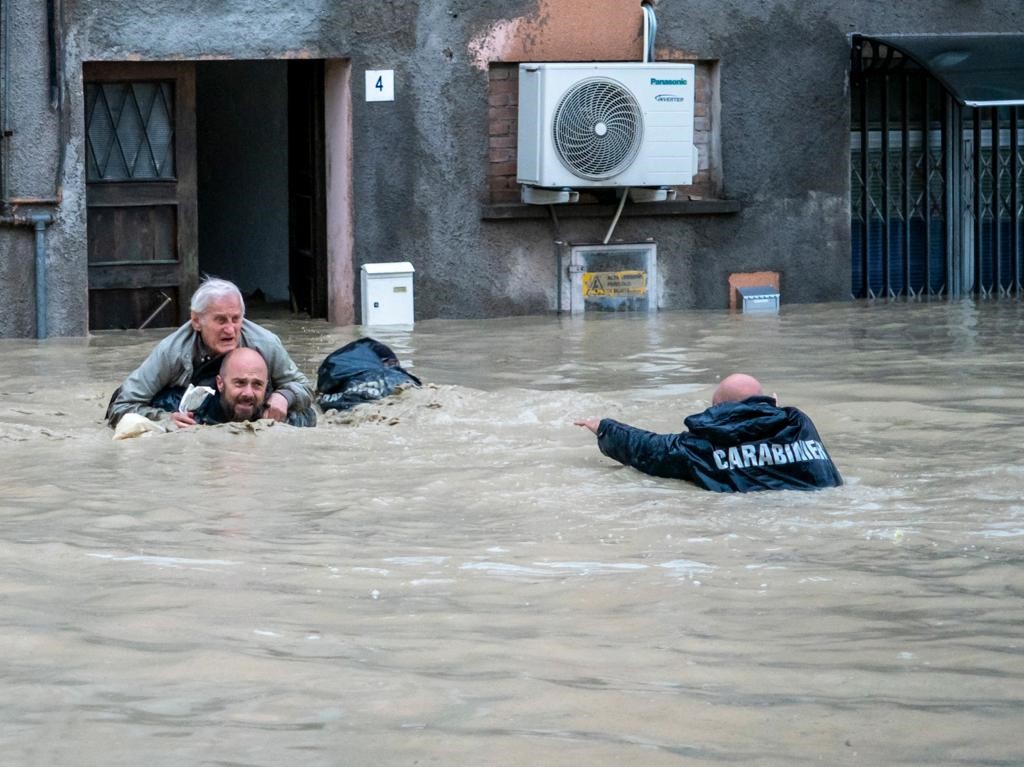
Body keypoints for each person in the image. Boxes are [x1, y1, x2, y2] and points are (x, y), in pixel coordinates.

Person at [574, 373, 842, 492]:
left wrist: (603, 427)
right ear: (767, 402)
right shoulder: (798, 424)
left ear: (718, 409)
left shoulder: (703, 444)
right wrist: (771, 407)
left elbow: (651, 450)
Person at [106, 277, 316, 428]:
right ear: (196, 321)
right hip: (189, 405)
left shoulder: (265, 343)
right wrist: (164, 419)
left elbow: (304, 387)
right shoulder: (171, 352)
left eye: (236, 319)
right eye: (220, 320)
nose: (230, 329)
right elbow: (122, 405)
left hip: (243, 405)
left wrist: (284, 396)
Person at [173, 347, 270, 426]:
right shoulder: (192, 404)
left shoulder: (275, 411)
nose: (248, 393)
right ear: (220, 384)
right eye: (240, 383)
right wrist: (169, 420)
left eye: (257, 384)